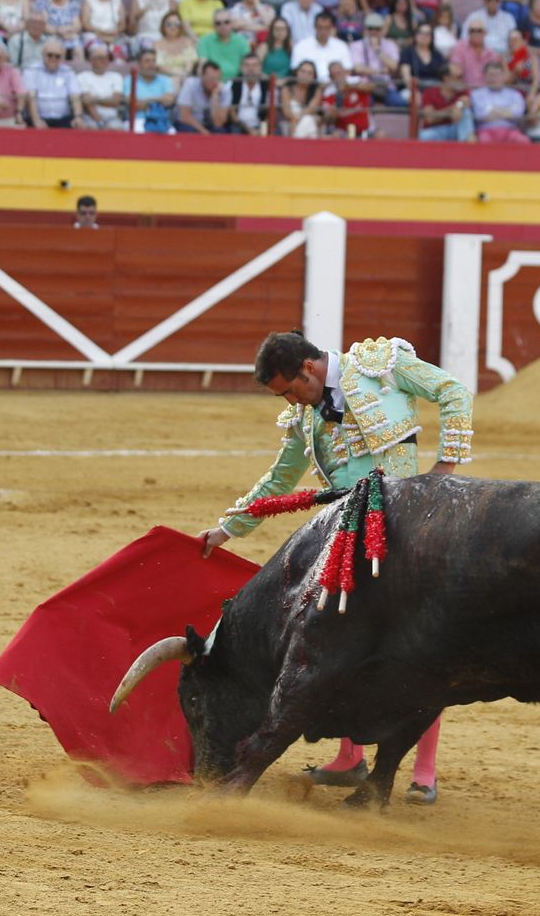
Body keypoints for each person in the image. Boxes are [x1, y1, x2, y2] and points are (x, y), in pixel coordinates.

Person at [197, 329, 473, 805]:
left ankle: (424, 772)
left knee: (419, 647)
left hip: (408, 531)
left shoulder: (381, 365)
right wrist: (227, 530)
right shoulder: (303, 416)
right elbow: (281, 478)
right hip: (345, 537)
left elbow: (452, 390)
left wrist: (445, 466)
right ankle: (350, 758)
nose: (290, 400)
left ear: (308, 369)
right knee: (341, 641)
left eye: (289, 389)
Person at [175, 59, 233, 133]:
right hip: (190, 124)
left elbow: (218, 123)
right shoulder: (190, 84)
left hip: (209, 125)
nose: (214, 82)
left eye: (217, 78)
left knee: (220, 131)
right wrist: (203, 131)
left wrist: (215, 96)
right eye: (211, 78)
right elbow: (185, 116)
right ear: (202, 76)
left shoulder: (225, 91)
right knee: (189, 130)